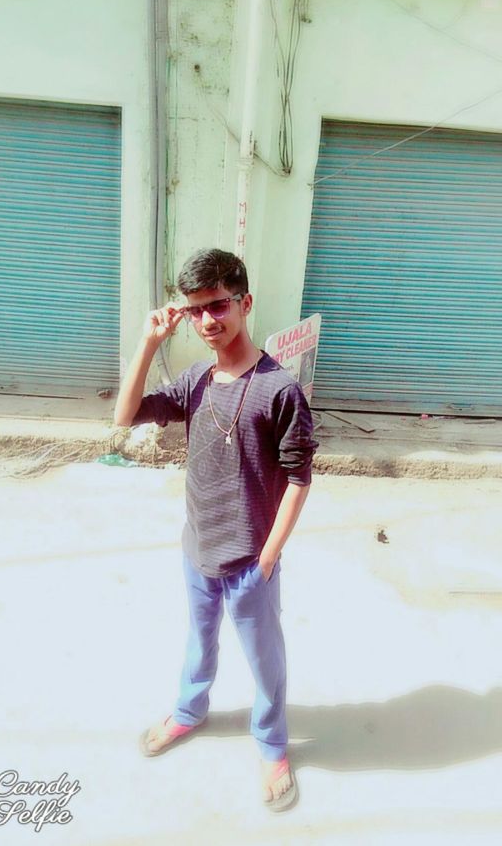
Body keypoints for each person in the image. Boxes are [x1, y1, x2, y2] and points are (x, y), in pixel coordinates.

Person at [114, 248, 318, 812]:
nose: (208, 320)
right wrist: (148, 343)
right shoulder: (195, 381)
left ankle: (272, 744)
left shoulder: (279, 390)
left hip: (250, 560)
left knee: (264, 658)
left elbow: (299, 478)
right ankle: (189, 710)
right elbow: (125, 416)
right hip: (198, 549)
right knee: (199, 641)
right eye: (196, 309)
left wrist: (269, 556)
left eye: (219, 305)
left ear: (245, 303)